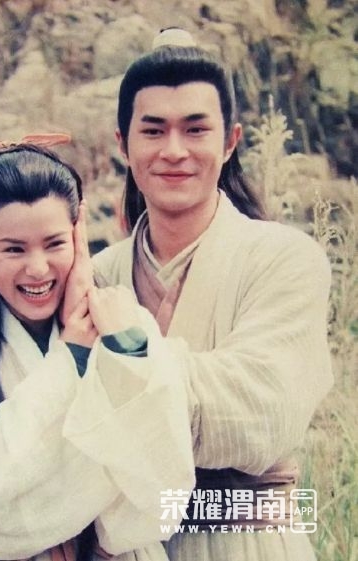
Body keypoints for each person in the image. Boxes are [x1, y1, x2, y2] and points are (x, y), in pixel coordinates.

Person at [92, 28, 333, 561]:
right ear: (123, 144)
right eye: (153, 130)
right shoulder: (99, 277)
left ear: (229, 142)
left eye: (196, 129)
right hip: (126, 547)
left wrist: (129, 358)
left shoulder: (285, 259)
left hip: (250, 539)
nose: (174, 150)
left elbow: (261, 412)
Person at [0, 137, 197, 561]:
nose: (37, 268)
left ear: (77, 238)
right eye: (14, 249)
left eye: (55, 244)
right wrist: (71, 360)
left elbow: (162, 487)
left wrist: (119, 346)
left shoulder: (122, 324)